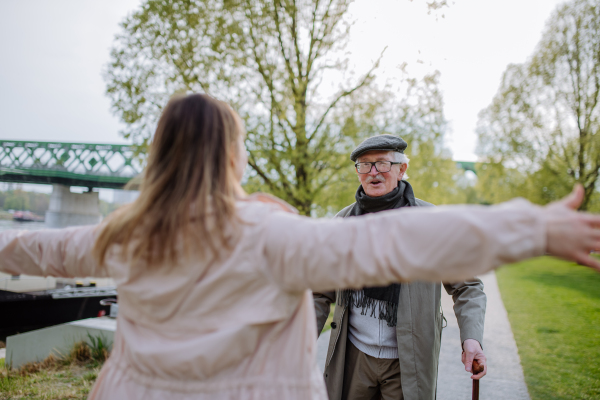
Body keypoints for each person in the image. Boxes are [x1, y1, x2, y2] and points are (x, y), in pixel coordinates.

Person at [0, 93, 598, 400]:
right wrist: (533, 229)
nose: (374, 173)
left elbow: (29, 249)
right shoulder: (272, 236)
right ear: (233, 157)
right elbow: (399, 243)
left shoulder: (121, 236)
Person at [313, 134, 486, 400]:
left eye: (382, 164)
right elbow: (320, 292)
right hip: (354, 357)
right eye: (364, 165)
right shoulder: (343, 223)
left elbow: (468, 286)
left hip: (408, 360)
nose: (373, 173)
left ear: (402, 169)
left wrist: (471, 338)